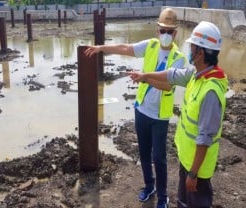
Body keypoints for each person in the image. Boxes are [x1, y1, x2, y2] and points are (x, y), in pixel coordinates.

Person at [85, 8, 186, 208]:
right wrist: (101, 47)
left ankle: (163, 196)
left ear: (175, 33)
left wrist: (145, 77)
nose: (165, 35)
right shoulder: (149, 46)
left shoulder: (179, 58)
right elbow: (125, 48)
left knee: (160, 158)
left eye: (169, 31)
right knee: (144, 153)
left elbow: (168, 84)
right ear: (157, 30)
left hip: (160, 116)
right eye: (162, 30)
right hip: (141, 111)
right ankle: (149, 186)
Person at [127, 21, 228, 208]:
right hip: (187, 160)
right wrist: (145, 76)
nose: (189, 49)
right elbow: (171, 74)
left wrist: (193, 174)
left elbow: (205, 138)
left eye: (192, 46)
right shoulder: (196, 75)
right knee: (183, 203)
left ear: (200, 52)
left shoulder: (210, 91)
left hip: (197, 170)